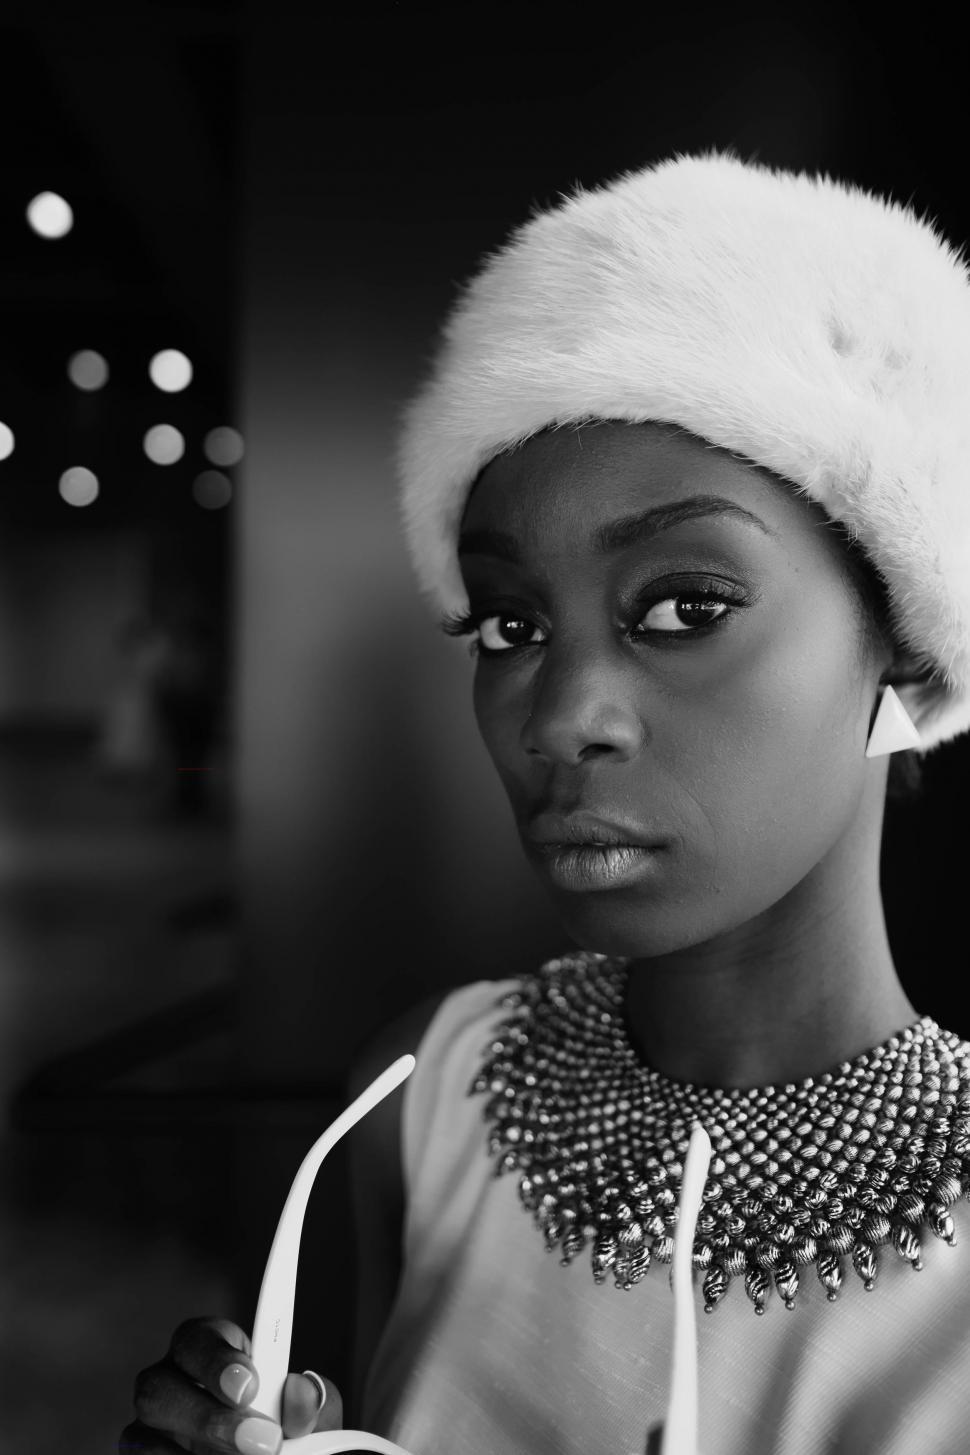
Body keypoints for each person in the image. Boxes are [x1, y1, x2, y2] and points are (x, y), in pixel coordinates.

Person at [120, 150, 970, 1455]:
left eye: (686, 605)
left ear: (902, 650)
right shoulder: (430, 1090)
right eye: (510, 621)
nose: (562, 713)